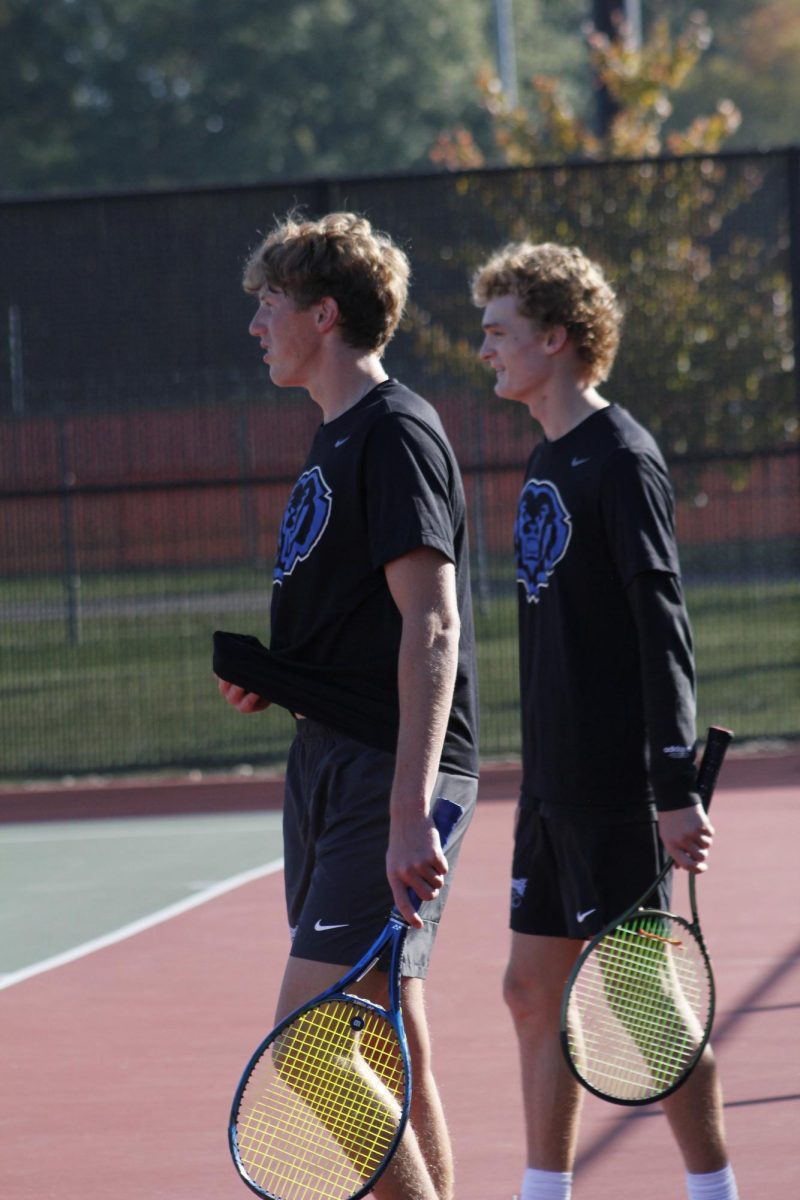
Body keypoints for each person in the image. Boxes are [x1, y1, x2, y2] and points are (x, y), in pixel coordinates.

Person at [214, 211, 479, 1200]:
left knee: (311, 1044)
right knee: (387, 1025)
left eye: (267, 304)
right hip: (336, 756)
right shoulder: (336, 439)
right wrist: (280, 680)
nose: (254, 325)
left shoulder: (394, 432)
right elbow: (368, 629)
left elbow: (433, 625)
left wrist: (409, 805)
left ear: (323, 314)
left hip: (386, 771)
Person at [471, 241, 740, 1200]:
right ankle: (546, 1193)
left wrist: (672, 787)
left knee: (641, 1005)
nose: (485, 348)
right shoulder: (550, 454)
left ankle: (716, 1191)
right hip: (549, 789)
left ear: (558, 336)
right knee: (530, 991)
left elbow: (660, 626)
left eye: (501, 330)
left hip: (613, 790)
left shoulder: (621, 458)